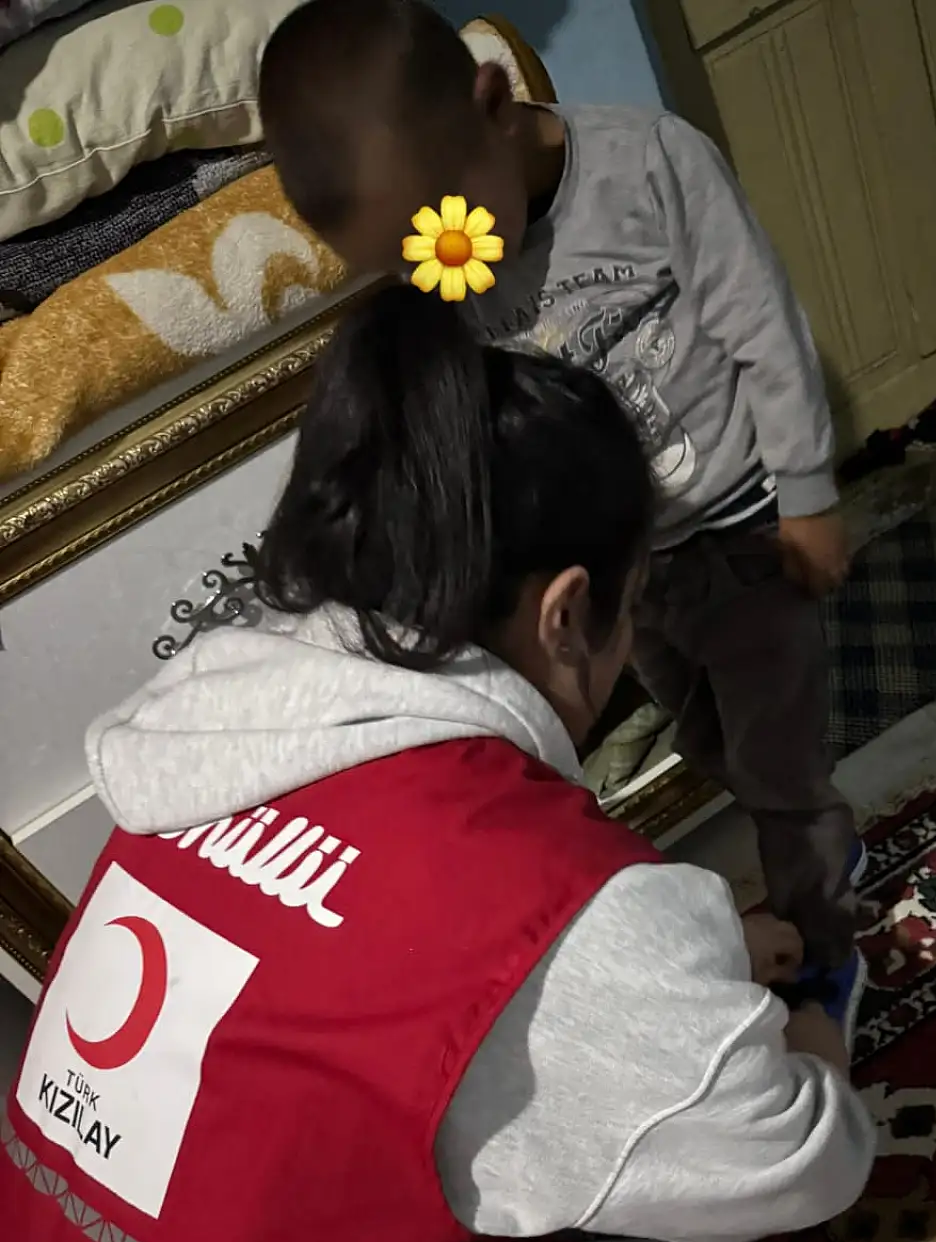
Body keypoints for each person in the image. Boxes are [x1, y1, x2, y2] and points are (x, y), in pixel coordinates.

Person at [0, 286, 877, 1242]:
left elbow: (356, 952)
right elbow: (798, 1165)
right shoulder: (554, 903)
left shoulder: (199, 743)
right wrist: (819, 1028)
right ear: (568, 611)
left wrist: (672, 950)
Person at [257, 0, 869, 1040]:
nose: (439, 261)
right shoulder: (446, 268)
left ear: (494, 103)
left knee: (778, 763)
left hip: (742, 529)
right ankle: (800, 840)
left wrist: (807, 493)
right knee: (706, 736)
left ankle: (825, 931)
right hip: (625, 575)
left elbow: (763, 325)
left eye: (440, 224)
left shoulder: (650, 166)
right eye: (404, 260)